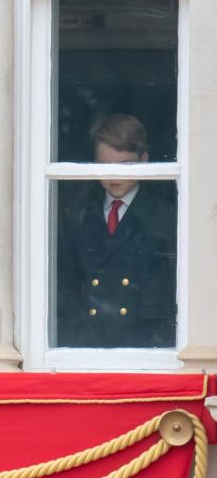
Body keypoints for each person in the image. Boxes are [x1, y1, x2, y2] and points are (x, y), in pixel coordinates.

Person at [56, 114, 176, 348]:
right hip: (85, 343)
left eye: (125, 166)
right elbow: (66, 283)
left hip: (144, 344)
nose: (114, 177)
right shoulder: (79, 212)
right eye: (104, 166)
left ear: (144, 161)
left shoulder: (165, 218)